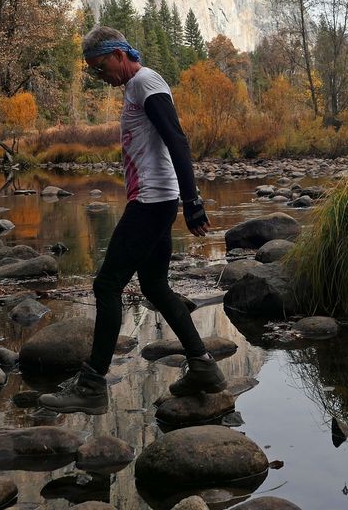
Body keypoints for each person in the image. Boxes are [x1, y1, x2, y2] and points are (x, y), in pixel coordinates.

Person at [39, 26, 226, 414]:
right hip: (154, 199)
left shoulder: (145, 81)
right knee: (155, 286)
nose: (99, 77)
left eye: (100, 66)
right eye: (91, 71)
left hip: (153, 200)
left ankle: (92, 386)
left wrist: (193, 201)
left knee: (107, 286)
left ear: (119, 53)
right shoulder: (133, 87)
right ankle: (203, 367)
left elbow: (177, 139)